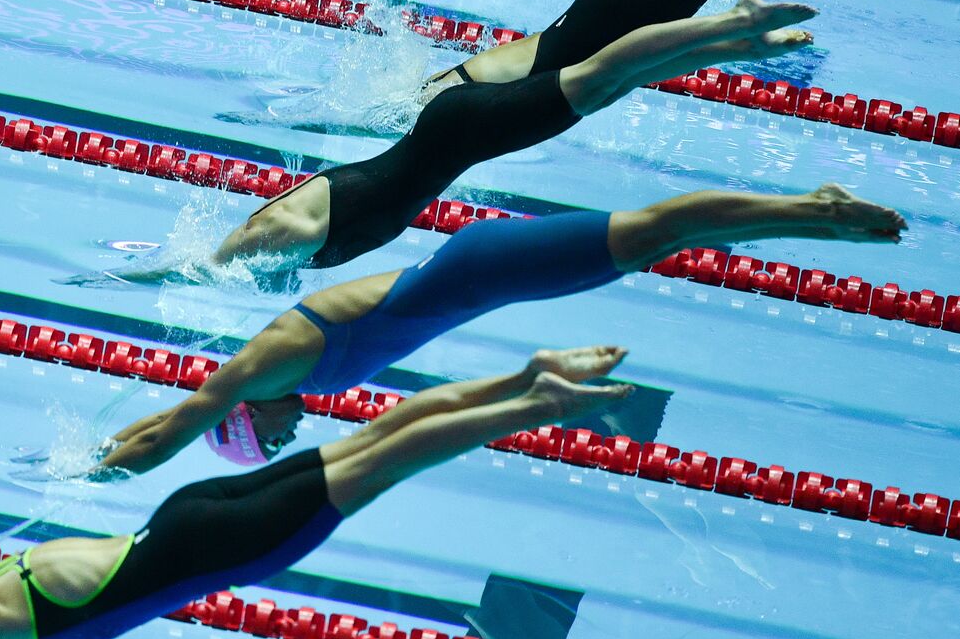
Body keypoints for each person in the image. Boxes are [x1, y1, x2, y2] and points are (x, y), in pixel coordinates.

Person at [98, 183, 905, 476]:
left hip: (481, 270)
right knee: (653, 237)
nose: (292, 435)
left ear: (249, 417)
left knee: (653, 230)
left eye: (270, 442)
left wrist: (103, 470)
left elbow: (178, 421)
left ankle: (813, 212)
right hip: (486, 278)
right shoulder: (287, 380)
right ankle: (807, 212)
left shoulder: (261, 369)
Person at [0, 355, 634, 639]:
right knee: (375, 439)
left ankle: (534, 405)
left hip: (225, 546)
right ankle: (517, 379)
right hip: (182, 515)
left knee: (387, 462)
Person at [101, 0, 817, 282]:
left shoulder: (279, 232)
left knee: (607, 68)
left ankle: (732, 28)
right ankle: (737, 40)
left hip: (470, 127)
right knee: (610, 71)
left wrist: (164, 271)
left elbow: (209, 261)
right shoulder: (293, 244)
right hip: (464, 130)